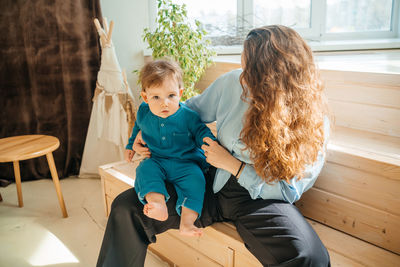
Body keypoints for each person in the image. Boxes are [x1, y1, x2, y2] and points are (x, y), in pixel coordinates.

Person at [97, 25, 331, 267]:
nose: (244, 76)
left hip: (259, 200)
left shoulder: (312, 121)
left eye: (252, 69)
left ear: (275, 73)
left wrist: (235, 166)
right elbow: (185, 111)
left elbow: (288, 191)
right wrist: (148, 132)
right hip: (209, 183)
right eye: (245, 65)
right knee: (126, 208)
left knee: (312, 257)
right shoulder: (232, 82)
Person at [124, 59, 215, 237]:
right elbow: (138, 127)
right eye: (156, 97)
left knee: (197, 181)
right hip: (157, 160)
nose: (164, 103)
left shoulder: (188, 116)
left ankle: (187, 223)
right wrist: (130, 145)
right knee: (144, 169)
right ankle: (158, 204)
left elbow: (200, 132)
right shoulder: (143, 111)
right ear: (145, 97)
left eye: (171, 96)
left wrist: (210, 144)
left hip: (186, 164)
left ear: (180, 94)